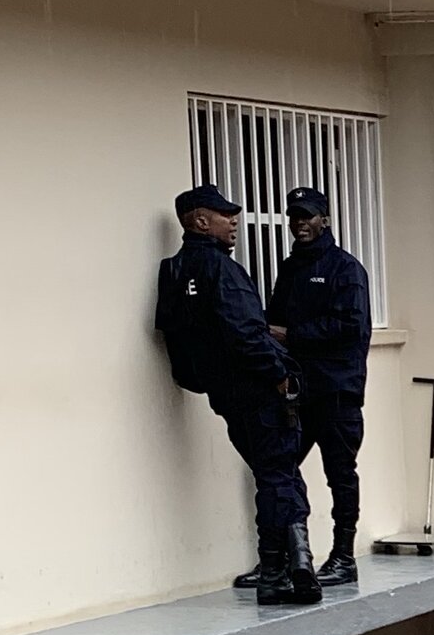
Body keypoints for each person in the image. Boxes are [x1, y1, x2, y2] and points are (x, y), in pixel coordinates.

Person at [154, 185, 321, 607]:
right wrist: (280, 375)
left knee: (275, 474)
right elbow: (248, 332)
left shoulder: (174, 271)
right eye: (225, 214)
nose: (234, 222)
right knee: (278, 477)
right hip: (259, 391)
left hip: (224, 394)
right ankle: (279, 571)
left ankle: (295, 564)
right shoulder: (221, 270)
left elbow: (175, 335)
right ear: (199, 220)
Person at [266, 186, 374, 589]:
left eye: (307, 216)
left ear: (324, 219)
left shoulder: (346, 269)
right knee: (280, 469)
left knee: (340, 474)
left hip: (337, 391)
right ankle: (283, 559)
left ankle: (344, 557)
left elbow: (351, 328)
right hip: (296, 390)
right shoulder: (291, 268)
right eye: (294, 217)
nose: (300, 224)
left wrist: (291, 335)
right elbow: (271, 324)